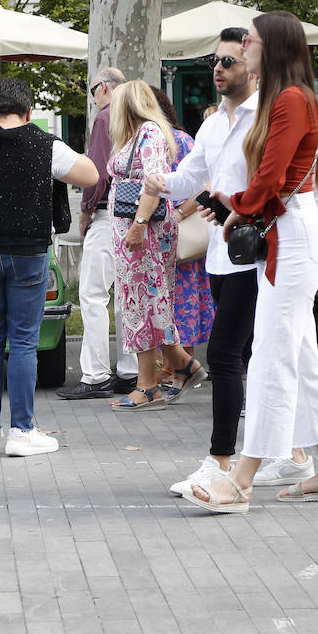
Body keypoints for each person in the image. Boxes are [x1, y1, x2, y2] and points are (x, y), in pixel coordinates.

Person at [184, 11, 318, 514]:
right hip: (289, 232)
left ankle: (241, 478)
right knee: (297, 353)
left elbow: (272, 178)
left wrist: (235, 207)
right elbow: (276, 182)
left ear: (269, 47)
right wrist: (236, 204)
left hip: (292, 236)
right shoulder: (291, 98)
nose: (241, 47)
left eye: (249, 41)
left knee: (274, 356)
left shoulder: (291, 99)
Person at [149, 28, 279, 496]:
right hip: (222, 255)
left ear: (249, 63)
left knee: (225, 355)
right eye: (215, 63)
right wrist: (157, 179)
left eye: (229, 61)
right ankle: (304, 457)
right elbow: (191, 177)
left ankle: (221, 460)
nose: (220, 69)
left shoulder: (267, 114)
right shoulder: (213, 123)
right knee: (270, 356)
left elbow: (280, 184)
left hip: (259, 253)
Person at [0, 78, 97, 457]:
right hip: (27, 252)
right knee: (25, 340)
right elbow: (92, 175)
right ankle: (22, 430)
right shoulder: (44, 143)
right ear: (30, 112)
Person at [104, 81, 200, 412]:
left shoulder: (149, 133)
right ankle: (178, 365)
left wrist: (138, 226)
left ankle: (149, 384)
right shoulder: (136, 134)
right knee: (142, 304)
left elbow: (155, 181)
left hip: (142, 232)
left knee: (144, 303)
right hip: (134, 232)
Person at [56, 66, 134, 400]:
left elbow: (96, 172)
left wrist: (86, 210)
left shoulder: (105, 117)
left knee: (92, 295)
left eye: (92, 91)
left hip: (108, 213)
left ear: (102, 87)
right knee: (126, 296)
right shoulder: (139, 118)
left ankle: (96, 373)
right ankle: (130, 371)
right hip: (135, 215)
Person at [152, 85, 215, 396]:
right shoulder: (156, 140)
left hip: (180, 236)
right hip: (161, 237)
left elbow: (201, 185)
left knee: (183, 298)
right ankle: (171, 365)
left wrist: (177, 215)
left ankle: (182, 367)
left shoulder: (180, 140)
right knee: (168, 300)